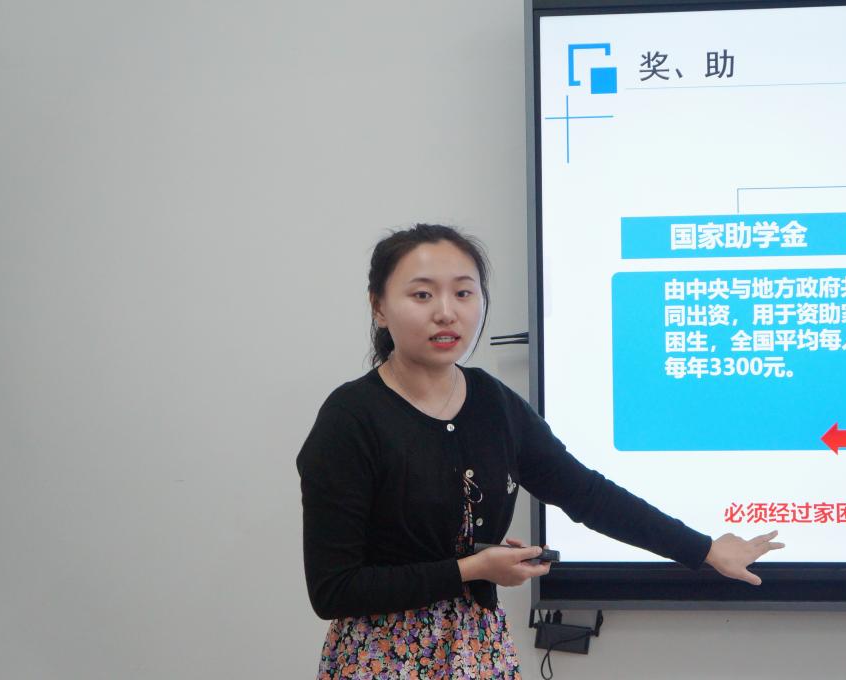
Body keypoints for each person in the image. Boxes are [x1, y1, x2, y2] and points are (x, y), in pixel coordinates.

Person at [296, 223, 784, 679]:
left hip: (480, 652)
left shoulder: (494, 403)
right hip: (381, 659)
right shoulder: (351, 418)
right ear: (379, 307)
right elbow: (333, 590)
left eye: (463, 293)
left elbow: (588, 494)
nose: (446, 312)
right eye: (422, 294)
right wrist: (472, 569)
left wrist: (703, 549)